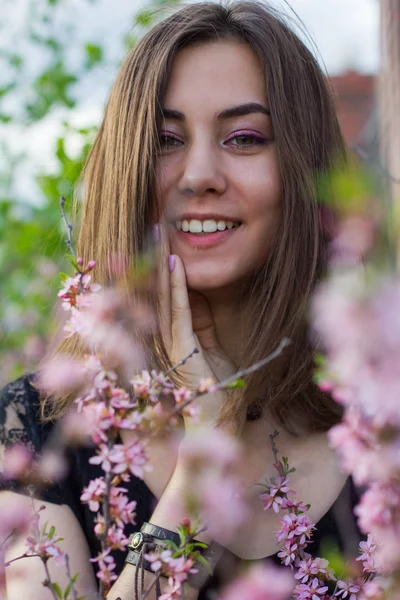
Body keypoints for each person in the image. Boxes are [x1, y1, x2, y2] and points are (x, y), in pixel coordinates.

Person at [0, 2, 363, 599]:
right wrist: (198, 473)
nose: (199, 175)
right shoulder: (34, 430)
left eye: (245, 138)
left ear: (305, 167)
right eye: (166, 139)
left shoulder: (383, 421)